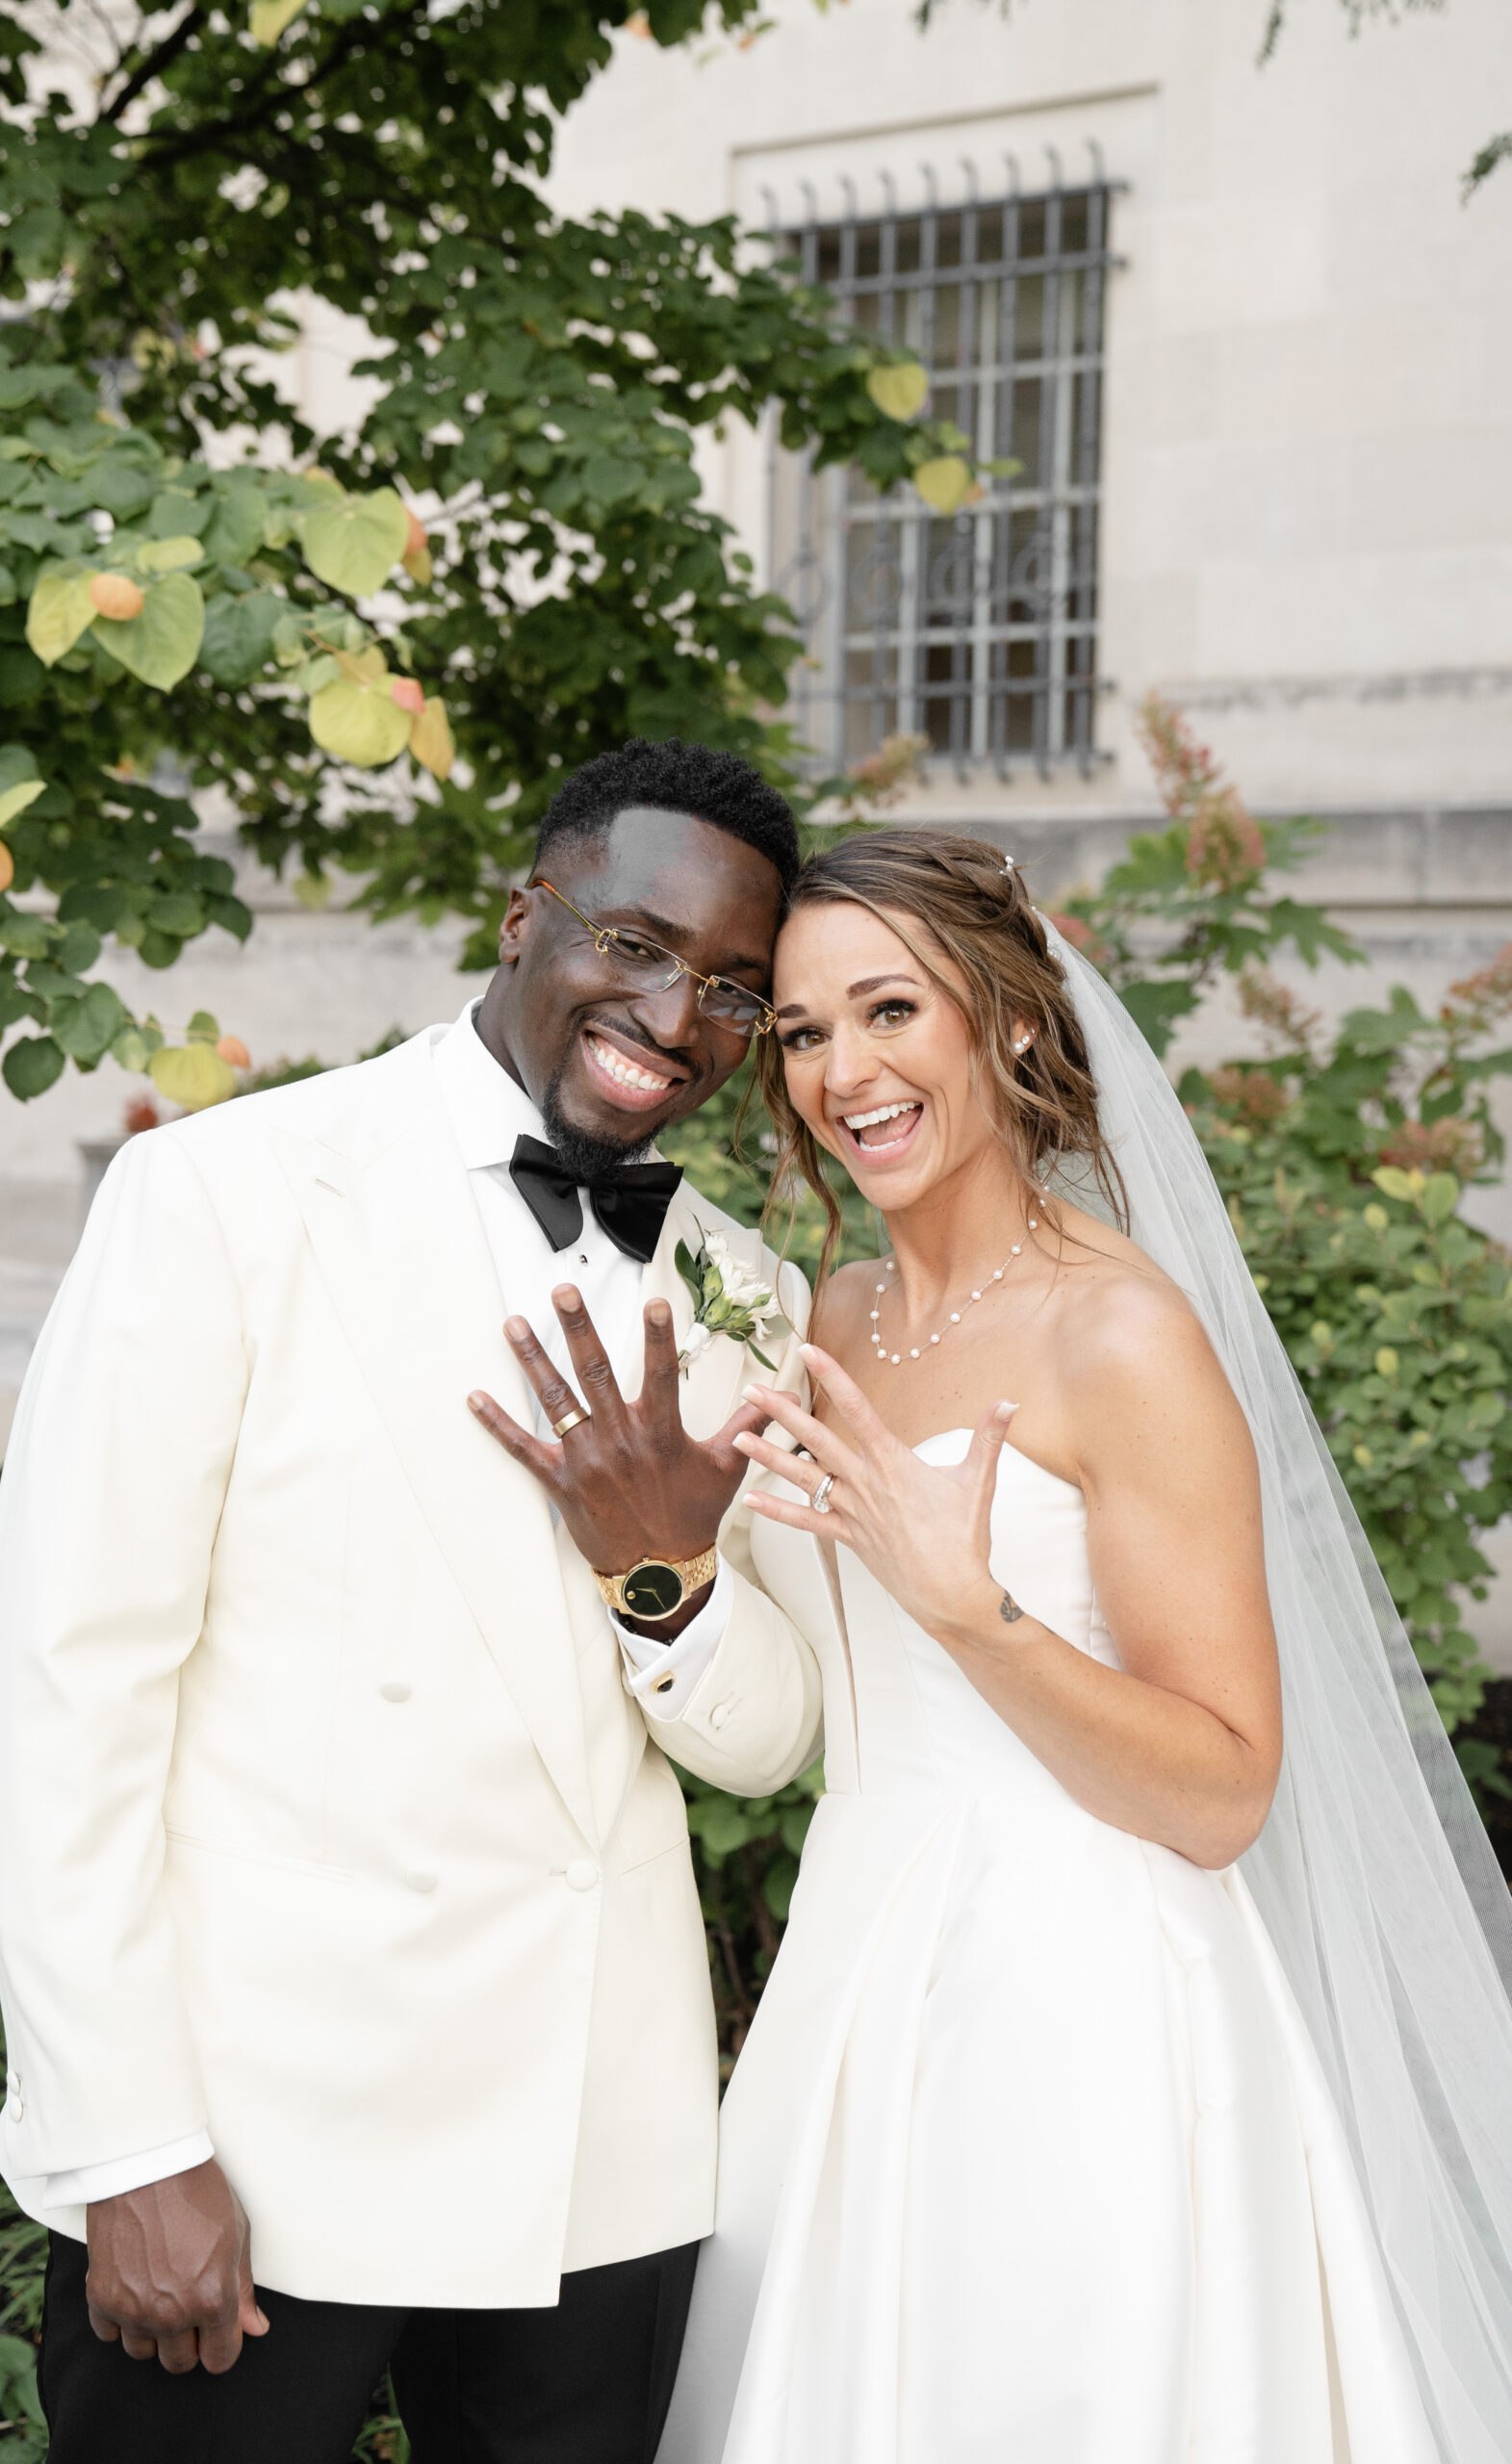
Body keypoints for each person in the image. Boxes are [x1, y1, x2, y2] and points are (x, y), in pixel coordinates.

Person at [0, 738, 824, 2464]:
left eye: (735, 988)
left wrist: (658, 1579)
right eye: (638, 946)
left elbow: (772, 1741)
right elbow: (69, 1694)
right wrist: (126, 2144)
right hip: (260, 2140)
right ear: (526, 916)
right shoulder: (221, 1194)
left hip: (600, 2150)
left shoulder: (744, 1287)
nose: (677, 1019)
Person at [659, 829, 1512, 2464]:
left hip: (1076, 2000)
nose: (845, 1070)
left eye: (892, 1010)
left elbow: (1223, 1793)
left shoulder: (1119, 1335)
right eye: (804, 1031)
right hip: (856, 1965)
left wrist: (977, 1615)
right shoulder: (827, 1316)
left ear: (1012, 1023)